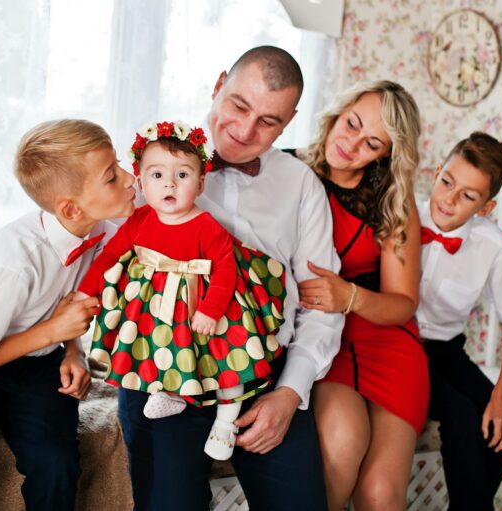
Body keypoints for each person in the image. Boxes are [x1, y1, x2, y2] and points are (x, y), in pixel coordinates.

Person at [117, 46, 343, 510]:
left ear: (289, 121)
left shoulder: (301, 185)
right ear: (219, 84)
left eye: (268, 122)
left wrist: (290, 392)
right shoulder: (152, 162)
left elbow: (321, 305)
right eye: (239, 106)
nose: (244, 131)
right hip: (164, 366)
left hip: (264, 373)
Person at [0, 119, 136, 511]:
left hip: (39, 365)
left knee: (57, 465)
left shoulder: (102, 227)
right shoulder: (12, 263)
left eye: (118, 165)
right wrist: (54, 331)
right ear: (70, 207)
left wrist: (73, 352)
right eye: (111, 176)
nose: (129, 177)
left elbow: (68, 301)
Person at [76, 120, 286, 461]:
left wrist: (211, 310)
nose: (169, 183)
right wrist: (87, 292)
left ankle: (226, 419)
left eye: (183, 175)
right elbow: (109, 256)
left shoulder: (205, 225)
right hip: (161, 308)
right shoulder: (139, 221)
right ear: (141, 181)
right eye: (157, 175)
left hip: (203, 303)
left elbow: (225, 269)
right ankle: (172, 392)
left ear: (201, 183)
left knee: (224, 359)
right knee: (157, 345)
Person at [294, 80, 424, 511]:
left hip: (387, 340)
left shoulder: (393, 197)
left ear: (385, 154)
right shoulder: (287, 170)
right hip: (324, 340)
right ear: (339, 110)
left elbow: (404, 301)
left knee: (380, 495)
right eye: (351, 124)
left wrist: (349, 296)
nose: (350, 145)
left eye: (371, 143)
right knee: (342, 444)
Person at [417, 132, 502, 510]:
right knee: (463, 418)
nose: (449, 199)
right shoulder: (405, 215)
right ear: (437, 173)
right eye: (447, 182)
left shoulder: (493, 247)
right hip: (400, 343)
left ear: (485, 208)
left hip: (446, 350)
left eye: (468, 196)